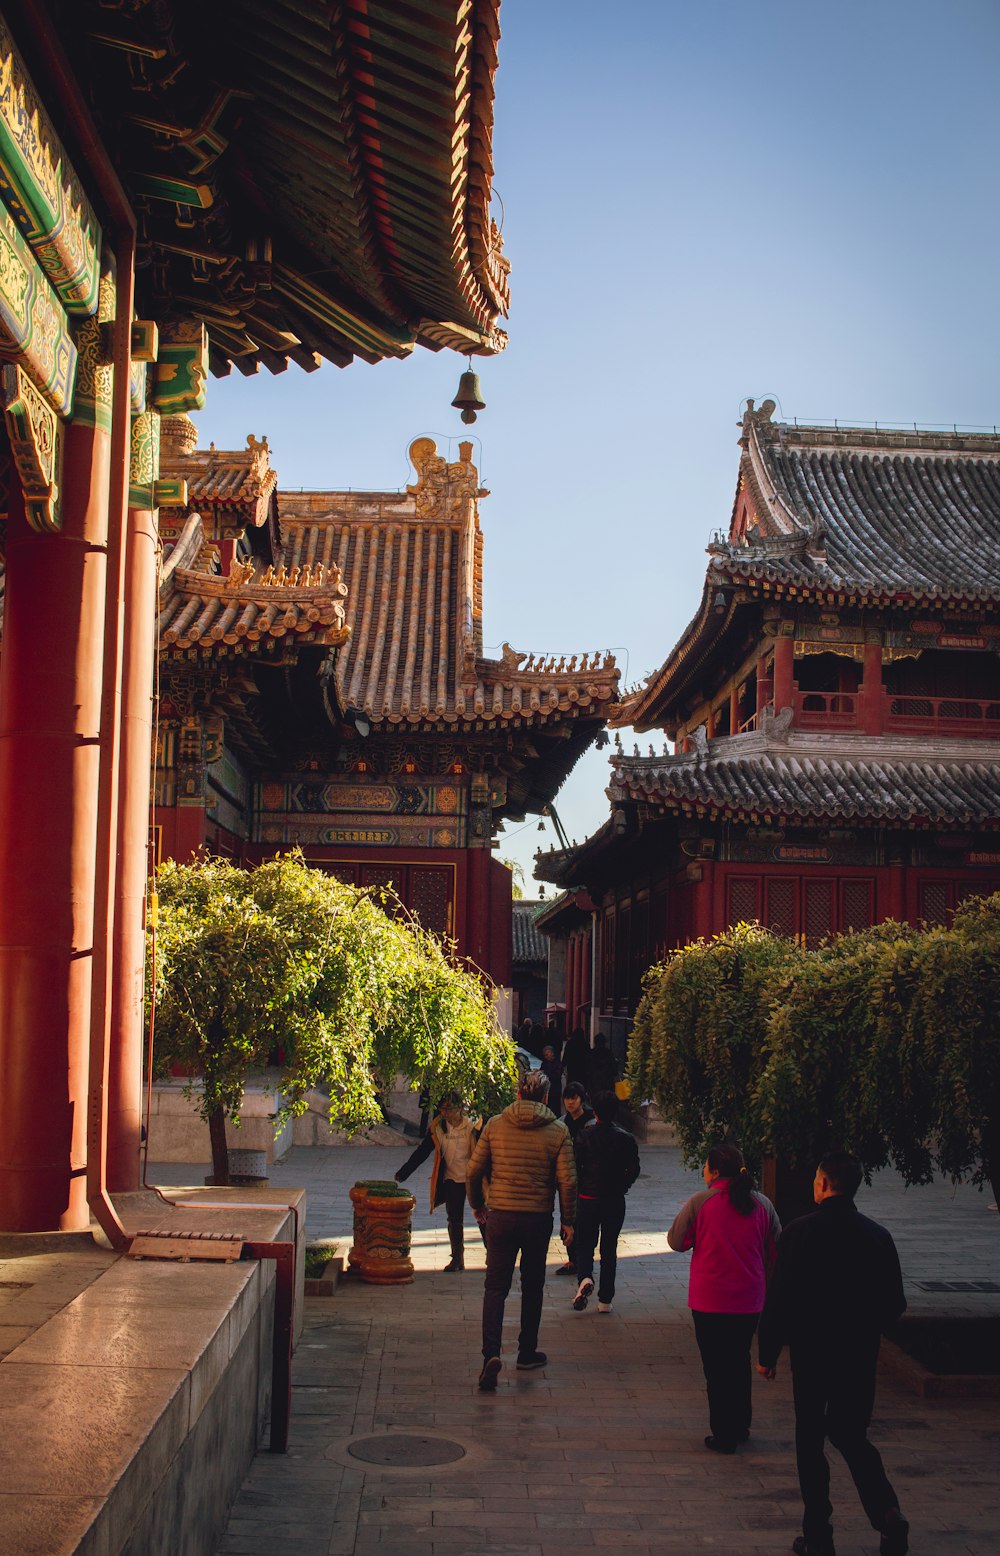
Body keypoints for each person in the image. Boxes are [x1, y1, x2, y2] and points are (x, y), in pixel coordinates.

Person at [756, 1151, 909, 1556]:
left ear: (822, 1184)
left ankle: (819, 1535)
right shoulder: (877, 1235)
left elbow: (779, 1297)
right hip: (857, 1354)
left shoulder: (800, 1232)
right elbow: (894, 1304)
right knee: (851, 1435)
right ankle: (888, 1512)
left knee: (810, 1440)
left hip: (812, 1354)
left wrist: (768, 1351)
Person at [466, 1067, 577, 1391]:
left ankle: (490, 1354)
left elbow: (474, 1170)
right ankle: (527, 1351)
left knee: (495, 1287)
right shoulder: (558, 1131)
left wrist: (477, 1204)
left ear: (517, 1094)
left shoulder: (495, 1125)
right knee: (532, 1284)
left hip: (500, 1214)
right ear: (545, 1096)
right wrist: (569, 1221)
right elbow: (568, 1181)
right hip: (536, 1218)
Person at [667, 1143, 780, 1454]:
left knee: (716, 1367)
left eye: (705, 1165)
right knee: (739, 1359)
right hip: (749, 1299)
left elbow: (677, 1241)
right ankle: (741, 1424)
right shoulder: (762, 1204)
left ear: (714, 1171)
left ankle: (724, 1433)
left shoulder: (700, 1202)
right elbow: (776, 1249)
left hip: (710, 1300)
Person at [394, 1091, 482, 1272]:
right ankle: (457, 1258)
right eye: (442, 1109)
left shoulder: (473, 1125)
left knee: (483, 1216)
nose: (446, 1113)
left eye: (449, 1109)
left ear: (460, 1109)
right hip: (451, 1178)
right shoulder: (438, 1127)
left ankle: (494, 1256)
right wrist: (404, 1172)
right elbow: (423, 1151)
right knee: (454, 1219)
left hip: (473, 1177)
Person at [571, 1090, 640, 1314]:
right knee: (609, 1249)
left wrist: (580, 1187)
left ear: (596, 1112)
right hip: (614, 1200)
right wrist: (623, 1186)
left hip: (588, 1199)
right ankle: (605, 1300)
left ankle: (585, 1278)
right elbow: (634, 1169)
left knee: (584, 1245)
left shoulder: (584, 1136)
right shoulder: (626, 1138)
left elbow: (575, 1168)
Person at [554, 1083, 595, 1274]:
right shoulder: (562, 1122)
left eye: (574, 1098)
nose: (570, 1102)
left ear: (582, 1099)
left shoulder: (591, 1122)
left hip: (585, 1177)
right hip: (566, 1176)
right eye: (567, 1098)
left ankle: (581, 1258)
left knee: (582, 1219)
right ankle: (572, 1258)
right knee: (567, 1215)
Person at [586, 1031, 618, 1096]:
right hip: (607, 1083)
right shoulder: (608, 1053)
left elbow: (587, 1069)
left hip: (594, 1083)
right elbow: (614, 1068)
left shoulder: (591, 1053)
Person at [540, 1043, 564, 1117]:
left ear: (552, 1053)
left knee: (556, 1106)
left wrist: (546, 1074)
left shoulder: (558, 1063)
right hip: (547, 1088)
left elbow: (557, 1074)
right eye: (545, 1055)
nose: (546, 1057)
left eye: (547, 1054)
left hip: (555, 1087)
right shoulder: (545, 1063)